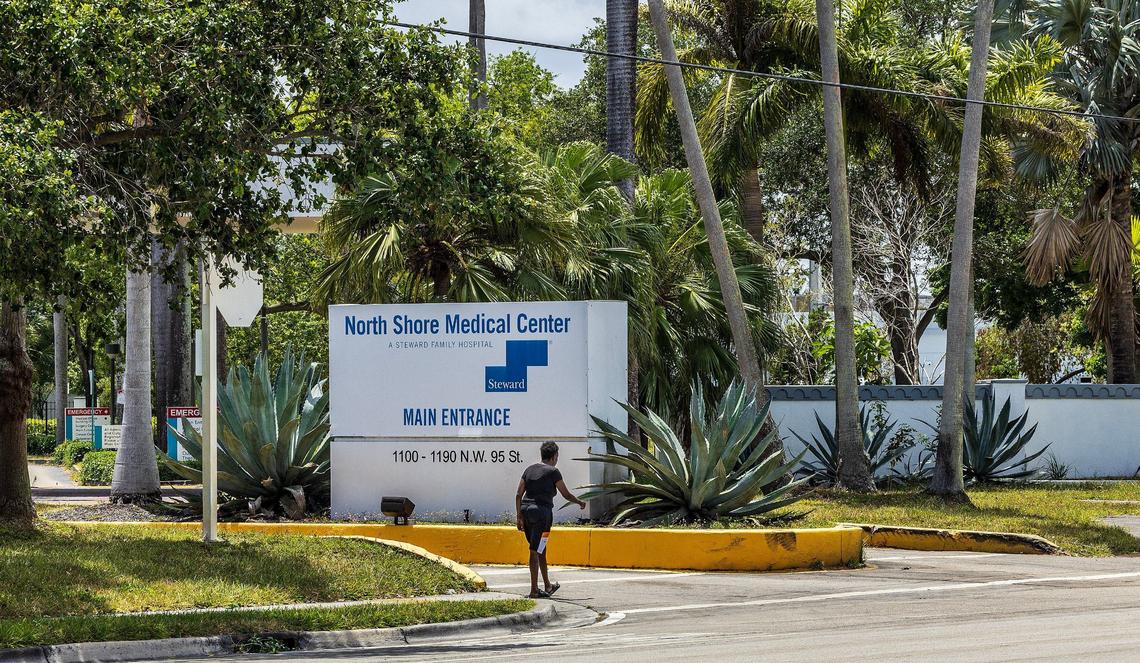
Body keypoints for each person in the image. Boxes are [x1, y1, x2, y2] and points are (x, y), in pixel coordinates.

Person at [515, 441, 586, 598]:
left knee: (541, 548)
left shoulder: (529, 469)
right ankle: (534, 590)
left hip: (526, 512)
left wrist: (519, 516)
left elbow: (519, 494)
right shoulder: (553, 472)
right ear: (554, 456)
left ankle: (547, 586)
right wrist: (580, 502)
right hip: (542, 514)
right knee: (535, 550)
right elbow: (565, 494)